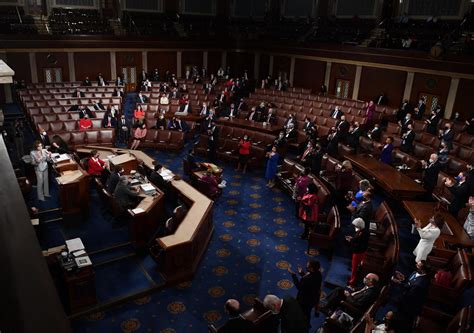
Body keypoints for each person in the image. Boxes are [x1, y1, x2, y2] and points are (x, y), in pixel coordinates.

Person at [392, 260, 431, 330]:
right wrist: (403, 278)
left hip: (408, 306)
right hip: (405, 299)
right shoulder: (416, 272)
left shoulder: (420, 284)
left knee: (401, 323)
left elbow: (408, 295)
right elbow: (410, 281)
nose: (416, 265)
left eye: (418, 266)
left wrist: (399, 283)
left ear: (423, 270)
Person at [346, 218, 370, 286]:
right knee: (354, 267)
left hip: (359, 253)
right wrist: (352, 239)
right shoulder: (361, 231)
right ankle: (352, 278)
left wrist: (351, 241)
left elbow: (359, 244)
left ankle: (352, 282)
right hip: (359, 251)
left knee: (355, 268)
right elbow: (357, 239)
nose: (355, 227)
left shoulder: (364, 233)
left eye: (355, 226)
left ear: (359, 226)